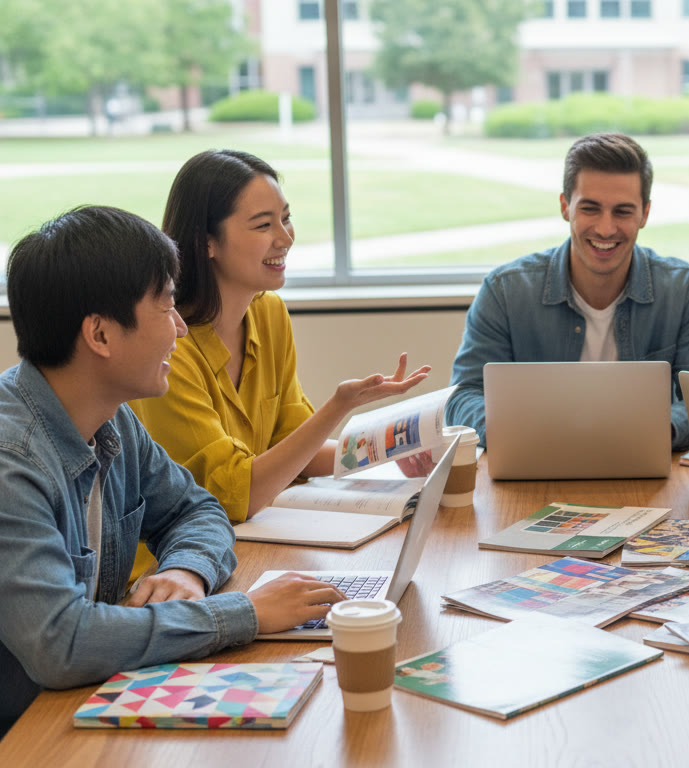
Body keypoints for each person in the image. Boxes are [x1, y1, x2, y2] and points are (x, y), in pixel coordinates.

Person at [0, 206, 345, 735]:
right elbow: (60, 643)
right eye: (166, 305)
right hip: (24, 727)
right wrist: (244, 614)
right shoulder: (12, 461)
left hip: (75, 704)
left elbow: (197, 508)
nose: (181, 327)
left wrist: (186, 570)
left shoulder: (113, 419)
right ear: (100, 334)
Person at [128, 150, 431, 582]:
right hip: (177, 574)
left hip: (249, 546)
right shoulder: (171, 349)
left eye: (285, 219)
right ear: (205, 242)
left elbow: (297, 449)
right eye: (263, 225)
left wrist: (391, 445)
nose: (285, 237)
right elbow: (241, 494)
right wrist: (339, 406)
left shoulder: (267, 313)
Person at [444, 132, 689, 451]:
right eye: (590, 209)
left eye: (623, 211)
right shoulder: (505, 291)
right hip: (534, 465)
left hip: (645, 470)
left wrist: (653, 432)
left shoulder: (684, 288)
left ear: (645, 214)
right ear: (566, 207)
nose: (606, 229)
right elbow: (463, 396)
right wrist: (522, 431)